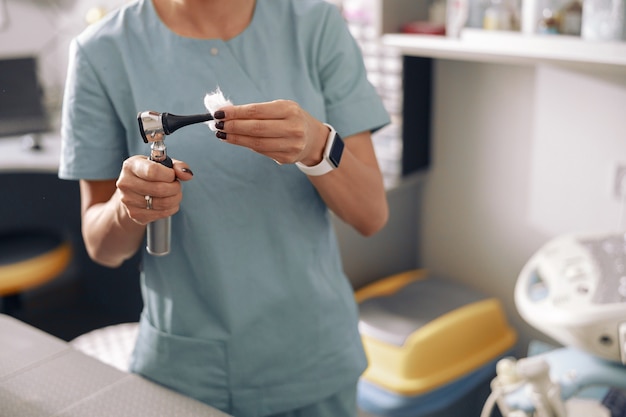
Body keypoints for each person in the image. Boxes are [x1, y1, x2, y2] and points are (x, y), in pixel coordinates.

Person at [59, 0, 390, 416]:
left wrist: (317, 146)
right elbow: (101, 247)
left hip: (313, 360)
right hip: (188, 373)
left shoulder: (314, 23)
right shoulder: (101, 51)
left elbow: (371, 214)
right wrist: (131, 207)